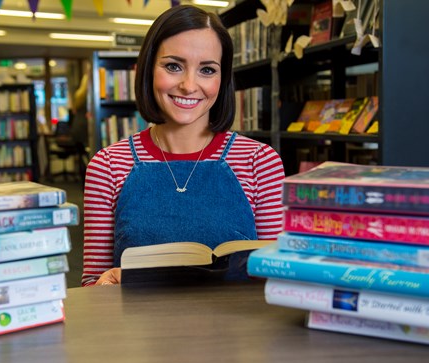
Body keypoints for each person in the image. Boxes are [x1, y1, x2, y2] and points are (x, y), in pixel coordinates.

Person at [81, 5, 284, 286]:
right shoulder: (107, 166)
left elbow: (279, 275)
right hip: (137, 328)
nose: (189, 85)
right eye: (173, 66)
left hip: (235, 328)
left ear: (223, 79)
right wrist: (104, 285)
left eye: (207, 70)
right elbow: (92, 281)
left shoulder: (260, 162)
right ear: (148, 69)